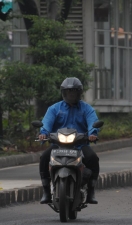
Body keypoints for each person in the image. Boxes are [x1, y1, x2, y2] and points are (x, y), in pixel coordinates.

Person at [38, 77, 100, 205]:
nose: (71, 94)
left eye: (74, 91)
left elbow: (92, 122)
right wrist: (43, 133)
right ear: (63, 93)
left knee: (93, 158)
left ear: (79, 93)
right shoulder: (54, 108)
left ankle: (91, 191)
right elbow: (47, 123)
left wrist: (93, 133)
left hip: (80, 145)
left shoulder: (86, 109)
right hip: (58, 144)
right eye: (68, 92)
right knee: (44, 158)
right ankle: (46, 191)